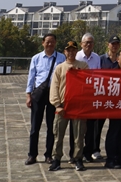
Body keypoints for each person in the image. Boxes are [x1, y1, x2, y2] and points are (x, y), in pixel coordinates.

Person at [26, 33, 65, 165]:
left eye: (52, 41)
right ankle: (32, 155)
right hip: (39, 94)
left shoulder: (61, 57)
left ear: (55, 43)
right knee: (34, 127)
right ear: (43, 43)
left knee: (51, 126)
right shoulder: (36, 58)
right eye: (47, 41)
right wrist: (28, 95)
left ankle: (48, 154)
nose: (50, 44)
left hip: (54, 95)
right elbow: (31, 77)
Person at [48, 40, 88, 172]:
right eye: (68, 50)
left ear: (77, 51)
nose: (71, 52)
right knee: (58, 133)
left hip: (78, 105)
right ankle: (57, 159)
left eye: (73, 50)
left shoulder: (83, 66)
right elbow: (55, 87)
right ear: (65, 52)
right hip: (63, 104)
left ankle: (78, 159)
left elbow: (88, 84)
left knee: (78, 134)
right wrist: (57, 104)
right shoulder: (60, 67)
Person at [91, 35, 120, 161]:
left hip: (116, 99)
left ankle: (114, 150)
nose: (114, 46)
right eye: (112, 44)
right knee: (98, 125)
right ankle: (95, 149)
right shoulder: (101, 59)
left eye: (117, 44)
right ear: (108, 45)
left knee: (115, 127)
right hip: (102, 97)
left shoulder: (120, 60)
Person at [74, 33, 100, 163]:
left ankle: (88, 152)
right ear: (81, 43)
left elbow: (100, 75)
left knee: (91, 128)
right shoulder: (76, 56)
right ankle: (75, 153)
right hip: (78, 96)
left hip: (91, 96)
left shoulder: (96, 58)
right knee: (77, 127)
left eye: (91, 42)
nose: (88, 45)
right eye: (86, 42)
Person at [104, 50, 121, 169]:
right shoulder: (113, 72)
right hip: (115, 108)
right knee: (113, 133)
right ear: (118, 58)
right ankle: (110, 159)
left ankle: (119, 157)